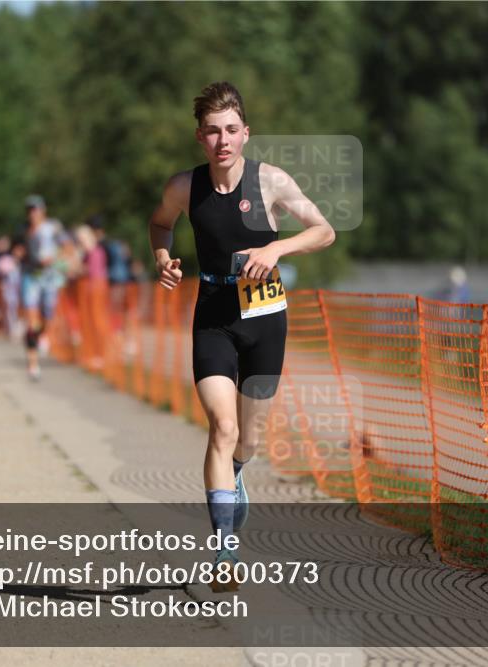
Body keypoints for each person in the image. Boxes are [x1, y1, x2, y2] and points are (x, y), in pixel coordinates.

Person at [148, 81, 335, 589]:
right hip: (212, 315)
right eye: (212, 131)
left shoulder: (271, 182)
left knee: (247, 439)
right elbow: (160, 225)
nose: (222, 140)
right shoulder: (184, 187)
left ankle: (234, 475)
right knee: (222, 427)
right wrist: (163, 260)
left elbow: (324, 230)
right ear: (199, 137)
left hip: (265, 318)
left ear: (246, 134)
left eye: (231, 129)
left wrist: (278, 250)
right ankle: (225, 553)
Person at [21, 195, 65, 380]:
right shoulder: (24, 231)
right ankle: (33, 365)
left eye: (35, 209)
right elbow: (19, 251)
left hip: (49, 279)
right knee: (32, 320)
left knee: (47, 318)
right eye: (29, 210)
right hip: (31, 277)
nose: (33, 213)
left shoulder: (52, 228)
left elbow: (67, 246)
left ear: (43, 210)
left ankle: (39, 336)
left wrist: (56, 259)